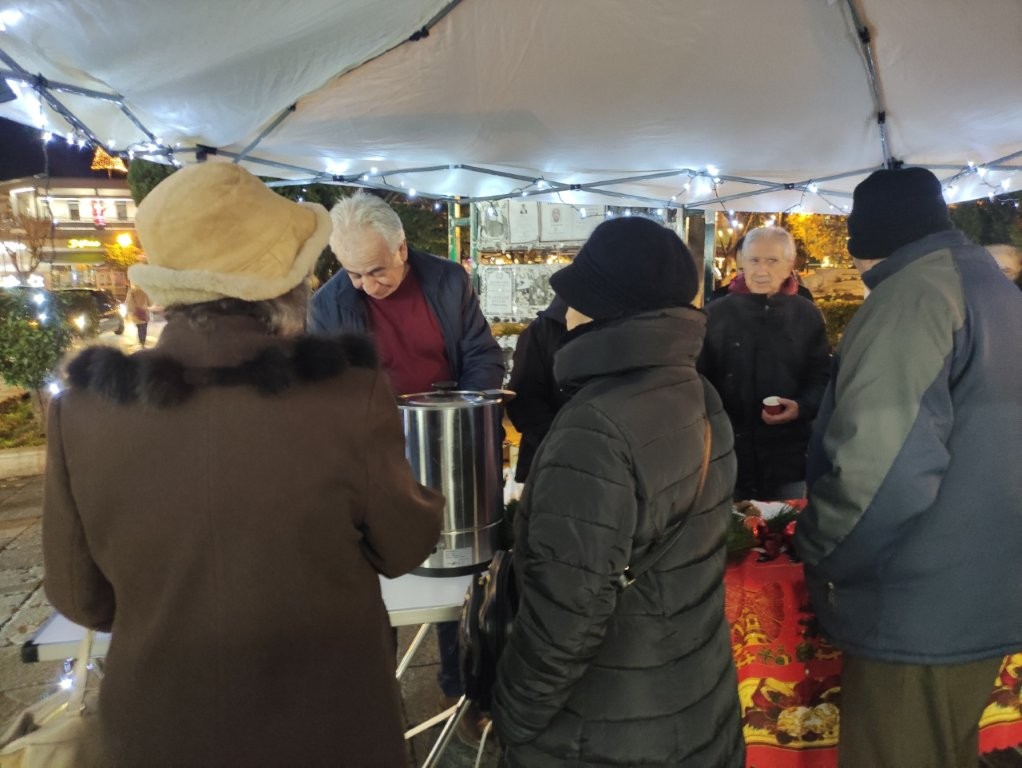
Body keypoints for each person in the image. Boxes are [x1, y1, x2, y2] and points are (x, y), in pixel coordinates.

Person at [42, 162, 444, 767]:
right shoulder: (347, 393)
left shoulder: (82, 410)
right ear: (284, 284)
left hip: (161, 732)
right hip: (330, 727)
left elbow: (82, 599)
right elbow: (404, 546)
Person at [492, 217, 745, 767]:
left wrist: (511, 715)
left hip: (604, 730)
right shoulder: (696, 392)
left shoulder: (594, 428)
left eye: (576, 299)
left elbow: (565, 617)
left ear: (605, 310)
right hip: (695, 704)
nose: (565, 312)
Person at [793, 167, 1022, 768]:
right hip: (975, 585)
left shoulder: (915, 297)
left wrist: (818, 547)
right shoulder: (990, 286)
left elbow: (881, 471)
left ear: (867, 236)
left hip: (916, 604)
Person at [306, 191, 504, 742]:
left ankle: (458, 688)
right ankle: (376, 698)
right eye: (353, 273)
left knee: (457, 572)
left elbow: (482, 354)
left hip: (453, 441)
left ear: (402, 247)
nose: (366, 285)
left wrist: (462, 408)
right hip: (375, 455)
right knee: (376, 579)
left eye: (376, 270)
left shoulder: (447, 280)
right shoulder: (329, 304)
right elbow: (327, 390)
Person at [699, 226, 830, 500]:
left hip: (788, 458)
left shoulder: (807, 315)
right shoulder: (714, 314)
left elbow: (821, 378)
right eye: (754, 260)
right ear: (742, 263)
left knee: (786, 523)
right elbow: (698, 381)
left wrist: (801, 407)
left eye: (772, 261)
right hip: (725, 457)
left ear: (789, 265)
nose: (761, 270)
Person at [505, 294, 569, 482]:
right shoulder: (543, 329)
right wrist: (562, 446)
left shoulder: (626, 327)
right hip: (548, 463)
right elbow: (524, 401)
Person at [124, 280, 150, 347]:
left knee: (139, 327)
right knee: (144, 327)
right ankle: (143, 341)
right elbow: (149, 302)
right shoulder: (145, 290)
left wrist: (130, 312)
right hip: (144, 312)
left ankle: (141, 342)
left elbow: (128, 303)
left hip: (136, 313)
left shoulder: (131, 292)